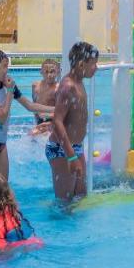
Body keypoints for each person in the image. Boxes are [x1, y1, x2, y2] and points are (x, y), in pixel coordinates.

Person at [0, 47, 52, 178]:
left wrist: (56, 109)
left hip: (1, 144)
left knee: (3, 185)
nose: (7, 70)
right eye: (4, 66)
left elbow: (30, 105)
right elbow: (2, 117)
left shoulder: (8, 85)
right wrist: (10, 92)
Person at [46, 42, 101, 204]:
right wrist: (70, 157)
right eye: (93, 64)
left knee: (80, 197)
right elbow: (57, 121)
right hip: (61, 150)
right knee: (65, 203)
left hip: (75, 147)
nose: (96, 68)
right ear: (81, 64)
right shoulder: (68, 86)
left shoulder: (79, 82)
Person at [30, 58, 61, 136]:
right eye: (46, 72)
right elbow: (34, 106)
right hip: (40, 121)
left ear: (58, 72)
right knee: (31, 135)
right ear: (41, 72)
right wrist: (37, 122)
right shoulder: (35, 86)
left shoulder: (59, 89)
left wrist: (47, 115)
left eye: (52, 72)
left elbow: (64, 112)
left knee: (39, 135)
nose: (49, 75)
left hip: (53, 122)